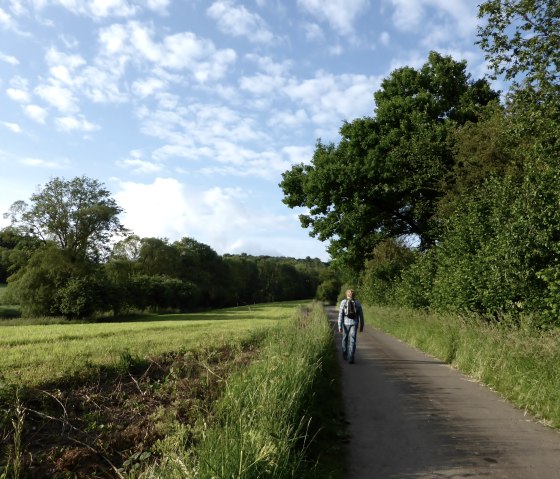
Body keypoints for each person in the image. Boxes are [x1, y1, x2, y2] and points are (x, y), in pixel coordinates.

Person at [338, 289, 364, 364]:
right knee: (352, 340)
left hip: (345, 323)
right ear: (354, 295)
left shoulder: (343, 302)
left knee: (344, 338)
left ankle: (344, 354)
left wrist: (339, 325)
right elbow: (361, 316)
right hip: (354, 323)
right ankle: (351, 358)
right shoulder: (357, 303)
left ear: (346, 295)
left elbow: (340, 315)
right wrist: (361, 326)